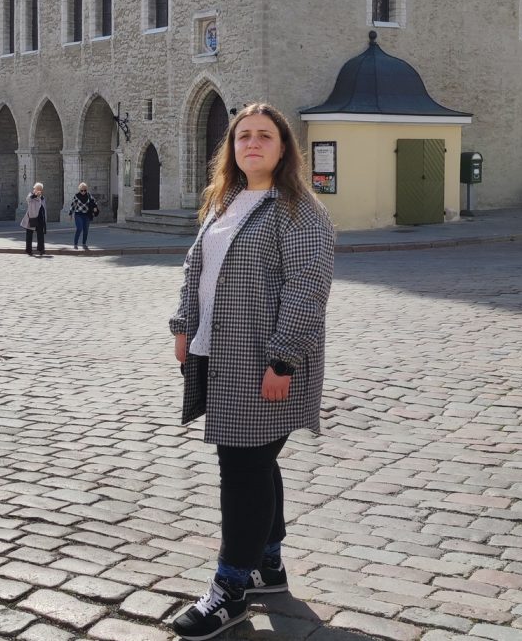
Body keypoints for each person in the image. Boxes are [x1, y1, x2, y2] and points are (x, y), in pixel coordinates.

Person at [169, 103, 335, 641]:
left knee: (242, 470)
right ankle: (268, 564)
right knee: (256, 462)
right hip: (221, 354)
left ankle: (230, 589)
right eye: (243, 136)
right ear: (232, 148)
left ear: (284, 148)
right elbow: (196, 268)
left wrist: (283, 359)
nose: (253, 144)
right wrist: (183, 324)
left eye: (265, 135)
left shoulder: (298, 209)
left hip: (264, 360)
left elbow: (307, 288)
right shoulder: (226, 199)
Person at [68, 182, 99, 250]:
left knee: (86, 230)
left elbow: (94, 202)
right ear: (79, 190)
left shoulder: (89, 195)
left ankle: (84, 244)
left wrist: (95, 207)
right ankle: (75, 244)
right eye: (82, 190)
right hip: (78, 214)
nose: (83, 192)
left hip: (87, 215)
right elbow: (73, 205)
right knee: (79, 228)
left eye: (85, 190)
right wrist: (70, 214)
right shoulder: (76, 196)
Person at [21, 182, 47, 256]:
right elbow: (28, 199)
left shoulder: (42, 198)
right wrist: (35, 195)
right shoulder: (31, 195)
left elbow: (44, 208)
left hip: (40, 218)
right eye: (37, 189)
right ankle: (28, 250)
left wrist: (45, 218)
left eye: (40, 189)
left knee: (40, 234)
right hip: (31, 217)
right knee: (29, 234)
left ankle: (41, 249)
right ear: (34, 189)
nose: (38, 190)